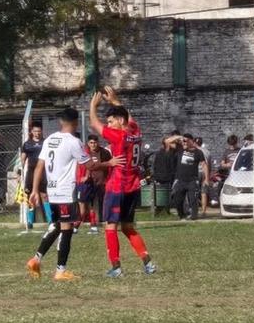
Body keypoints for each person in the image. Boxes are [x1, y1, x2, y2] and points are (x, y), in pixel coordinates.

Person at [26, 108, 120, 282]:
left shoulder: (50, 139)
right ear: (76, 122)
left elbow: (39, 166)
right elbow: (90, 165)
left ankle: (36, 259)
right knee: (66, 229)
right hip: (64, 193)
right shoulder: (73, 142)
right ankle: (60, 271)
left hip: (52, 191)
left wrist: (34, 190)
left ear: (61, 122)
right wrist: (110, 163)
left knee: (56, 226)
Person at [89, 87, 157, 277]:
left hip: (117, 187)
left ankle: (116, 267)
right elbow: (129, 118)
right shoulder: (136, 131)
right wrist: (115, 101)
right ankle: (148, 263)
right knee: (127, 226)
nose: (108, 125)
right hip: (132, 187)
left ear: (120, 121)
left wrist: (93, 106)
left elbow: (94, 124)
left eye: (111, 121)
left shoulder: (118, 136)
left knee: (110, 226)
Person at [77, 135, 111, 233]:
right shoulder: (84, 153)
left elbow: (110, 165)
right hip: (88, 184)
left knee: (99, 204)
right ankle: (79, 225)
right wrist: (83, 177)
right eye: (91, 143)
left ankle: (97, 225)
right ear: (88, 143)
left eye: (95, 142)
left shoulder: (104, 152)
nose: (93, 145)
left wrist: (108, 179)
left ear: (98, 142)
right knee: (85, 205)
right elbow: (84, 167)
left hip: (101, 183)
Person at [171, 134, 210, 221]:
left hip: (192, 180)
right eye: (183, 141)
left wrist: (206, 179)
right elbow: (168, 142)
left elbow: (204, 165)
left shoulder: (198, 152)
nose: (184, 143)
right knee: (178, 200)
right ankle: (181, 216)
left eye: (186, 141)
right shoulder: (180, 149)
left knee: (193, 199)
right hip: (180, 180)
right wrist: (179, 137)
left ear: (191, 141)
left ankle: (194, 216)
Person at [20, 121, 47, 232]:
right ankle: (30, 221)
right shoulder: (27, 144)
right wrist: (19, 173)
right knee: (30, 195)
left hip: (43, 172)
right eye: (35, 131)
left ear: (42, 131)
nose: (37, 133)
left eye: (39, 131)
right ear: (31, 132)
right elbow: (23, 159)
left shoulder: (45, 142)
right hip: (31, 172)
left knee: (44, 195)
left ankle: (50, 220)